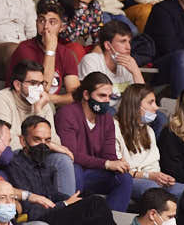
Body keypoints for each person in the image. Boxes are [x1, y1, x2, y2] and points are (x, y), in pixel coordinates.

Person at [11, 114, 118, 225]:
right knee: (96, 203)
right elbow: (31, 210)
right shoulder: (15, 165)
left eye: (47, 141)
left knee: (100, 222)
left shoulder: (43, 164)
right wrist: (66, 204)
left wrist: (72, 201)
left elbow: (52, 194)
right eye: (37, 140)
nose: (43, 146)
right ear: (22, 140)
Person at [54, 72, 132, 210]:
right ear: (86, 95)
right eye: (102, 95)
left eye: (109, 97)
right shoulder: (67, 113)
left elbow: (109, 156)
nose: (106, 101)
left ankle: (110, 222)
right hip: (73, 171)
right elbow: (72, 154)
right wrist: (107, 164)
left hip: (93, 173)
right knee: (75, 169)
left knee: (124, 178)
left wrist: (118, 164)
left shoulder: (107, 119)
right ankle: (73, 221)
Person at [115, 84, 172, 197]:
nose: (156, 107)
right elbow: (119, 169)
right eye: (151, 102)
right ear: (135, 105)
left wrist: (160, 177)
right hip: (126, 180)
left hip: (150, 180)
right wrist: (148, 176)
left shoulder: (149, 131)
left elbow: (153, 166)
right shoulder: (114, 127)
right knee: (155, 191)